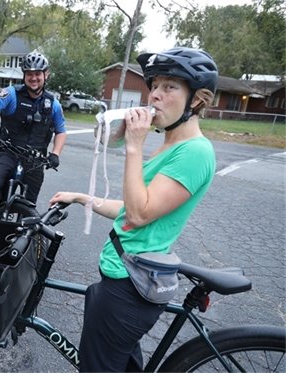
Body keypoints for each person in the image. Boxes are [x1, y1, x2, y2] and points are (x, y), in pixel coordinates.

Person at [49, 47, 219, 372]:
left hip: (128, 288)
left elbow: (140, 214)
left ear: (197, 99)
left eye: (169, 87)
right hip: (123, 277)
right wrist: (82, 197)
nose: (155, 95)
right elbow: (131, 208)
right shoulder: (171, 145)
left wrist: (134, 146)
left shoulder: (195, 152)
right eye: (154, 86)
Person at [0, 50, 67, 216]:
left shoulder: (53, 104)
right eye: (29, 74)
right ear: (24, 75)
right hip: (8, 152)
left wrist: (55, 154)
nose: (33, 78)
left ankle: (21, 237)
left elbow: (61, 131)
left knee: (29, 206)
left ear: (46, 75)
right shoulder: (11, 94)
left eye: (37, 74)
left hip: (35, 159)